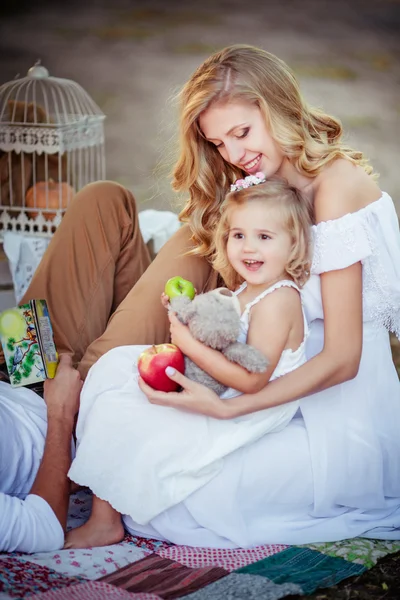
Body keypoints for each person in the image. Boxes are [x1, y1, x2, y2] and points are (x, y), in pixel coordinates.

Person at [18, 44, 400, 548]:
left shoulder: (333, 188)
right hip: (252, 356)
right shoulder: (257, 184)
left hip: (325, 413)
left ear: (279, 108)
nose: (235, 155)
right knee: (103, 203)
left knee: (171, 487)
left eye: (241, 133)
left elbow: (343, 358)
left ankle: (47, 412)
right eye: (218, 143)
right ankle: (30, 377)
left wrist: (227, 409)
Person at [64, 175, 312, 549]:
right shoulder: (249, 288)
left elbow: (252, 381)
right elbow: (224, 337)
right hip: (219, 385)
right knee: (116, 366)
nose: (248, 247)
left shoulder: (280, 300)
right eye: (238, 235)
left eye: (264, 237)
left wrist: (186, 345)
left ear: (293, 243)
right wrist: (187, 316)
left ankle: (105, 519)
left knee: (140, 414)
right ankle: (94, 482)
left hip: (244, 407)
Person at [0, 355, 82, 553]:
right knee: (144, 324)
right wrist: (61, 412)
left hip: (24, 371)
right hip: (73, 422)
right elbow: (44, 530)